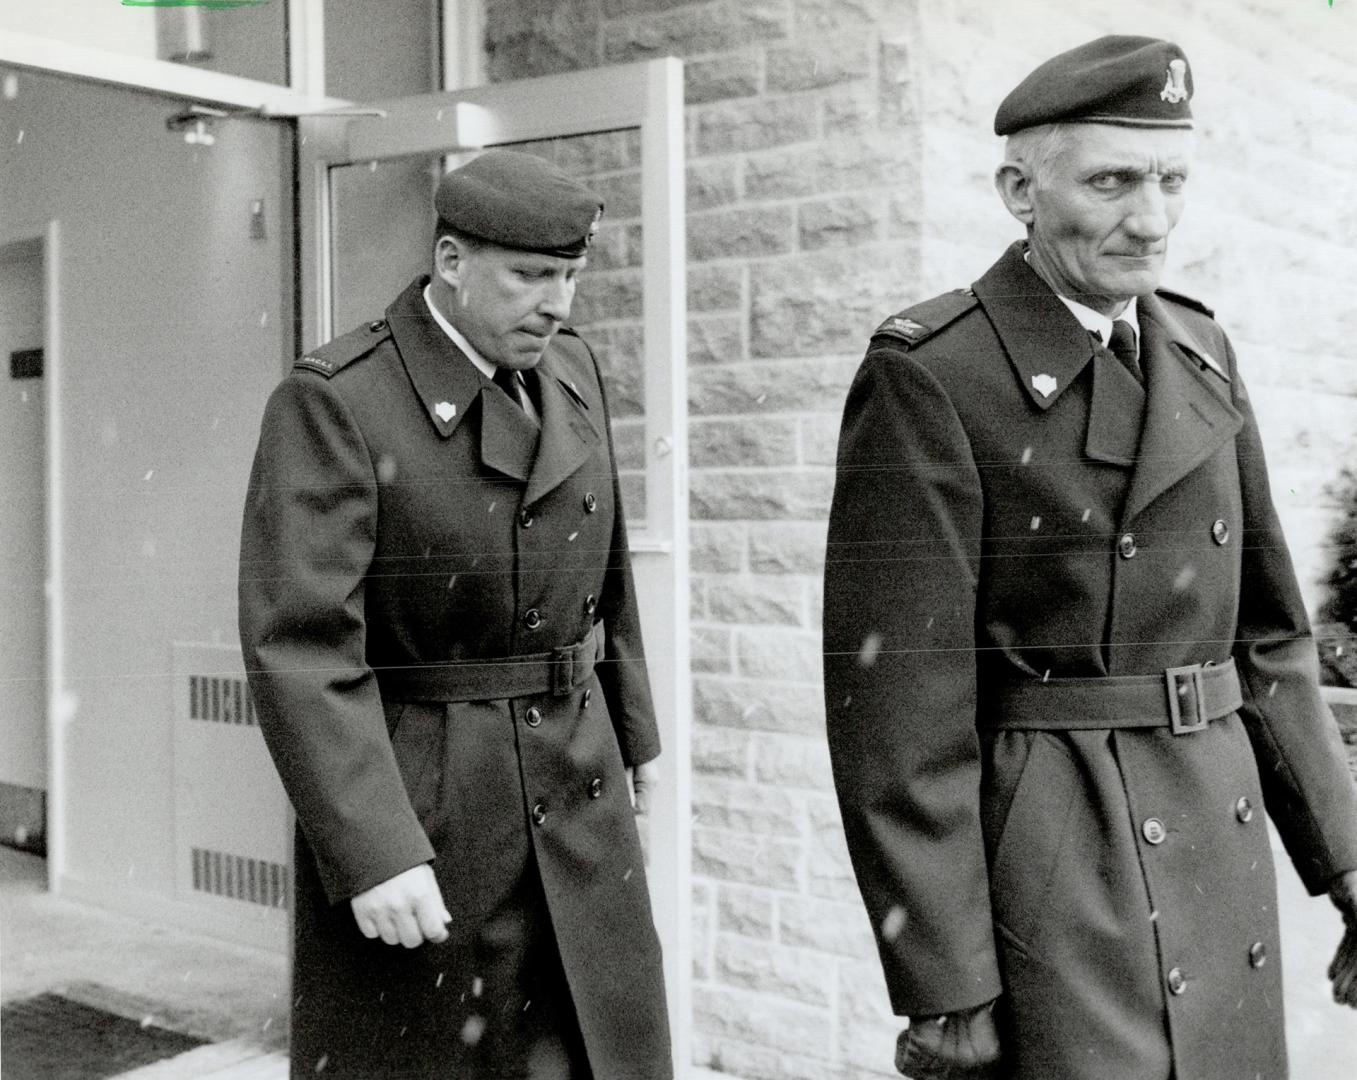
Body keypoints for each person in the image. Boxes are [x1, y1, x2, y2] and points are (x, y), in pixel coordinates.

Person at [823, 35, 1357, 1080]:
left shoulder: (1202, 352)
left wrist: (1347, 860)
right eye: (1112, 181)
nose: (1150, 219)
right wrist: (945, 979)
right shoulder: (934, 374)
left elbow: (1269, 639)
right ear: (1019, 189)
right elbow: (899, 714)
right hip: (1061, 858)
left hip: (1216, 832)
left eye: (1168, 180)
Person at [238, 149, 671, 1080]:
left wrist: (634, 739)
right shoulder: (338, 399)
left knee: (601, 1046)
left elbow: (609, 573)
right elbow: (302, 647)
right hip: (434, 798)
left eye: (568, 276)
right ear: (449, 261)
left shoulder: (573, 370)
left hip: (576, 773)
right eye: (529, 276)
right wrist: (373, 849)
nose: (556, 304)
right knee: (439, 1057)